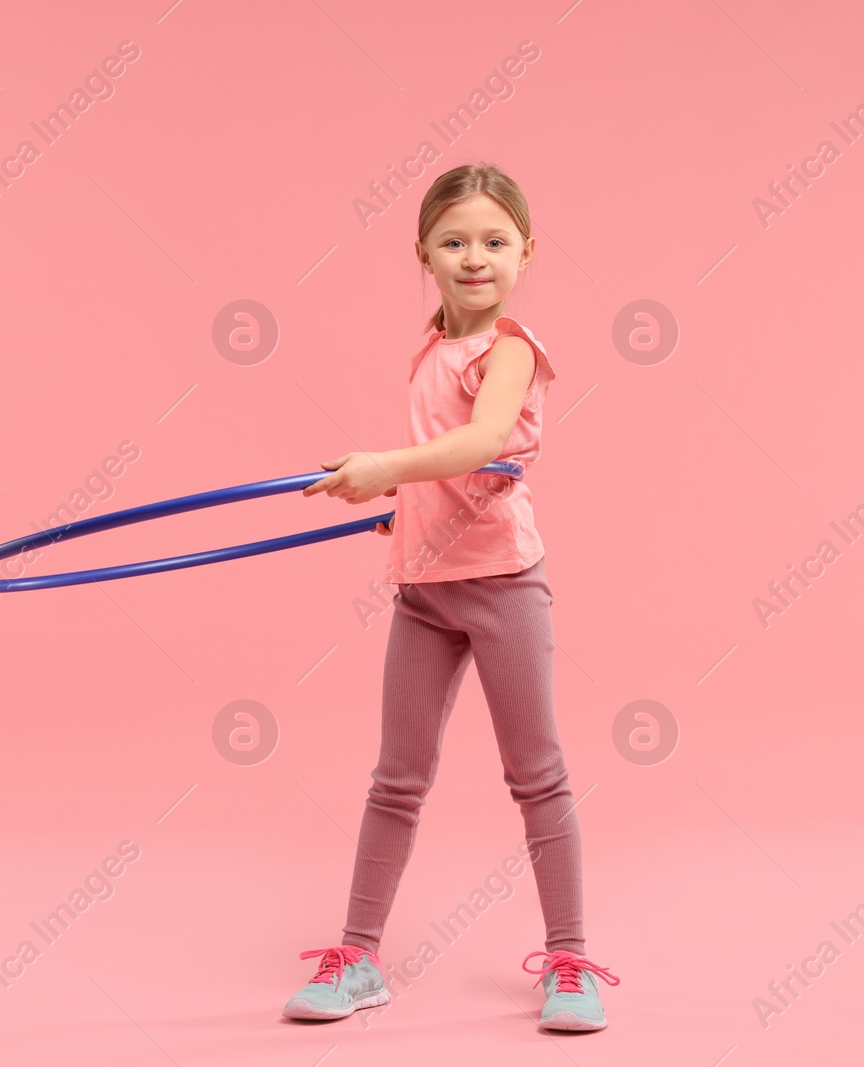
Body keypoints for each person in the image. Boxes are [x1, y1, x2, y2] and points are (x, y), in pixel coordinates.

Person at [282, 162, 619, 1031]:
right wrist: (403, 509)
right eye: (455, 241)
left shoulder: (513, 350)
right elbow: (444, 465)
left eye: (496, 242)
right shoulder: (430, 349)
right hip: (425, 591)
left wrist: (384, 469)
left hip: (504, 585)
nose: (476, 258)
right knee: (396, 779)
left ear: (527, 252)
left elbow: (476, 443)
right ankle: (357, 957)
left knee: (537, 774)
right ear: (423, 254)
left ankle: (572, 961)